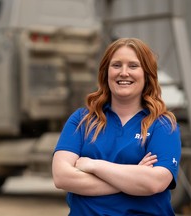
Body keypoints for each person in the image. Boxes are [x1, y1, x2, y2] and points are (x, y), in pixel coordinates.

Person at [52, 38, 181, 216]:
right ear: (106, 72)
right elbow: (62, 177)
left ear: (147, 74)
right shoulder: (82, 120)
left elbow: (154, 183)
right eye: (116, 65)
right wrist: (134, 177)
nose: (124, 72)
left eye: (133, 66)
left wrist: (94, 166)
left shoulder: (163, 124)